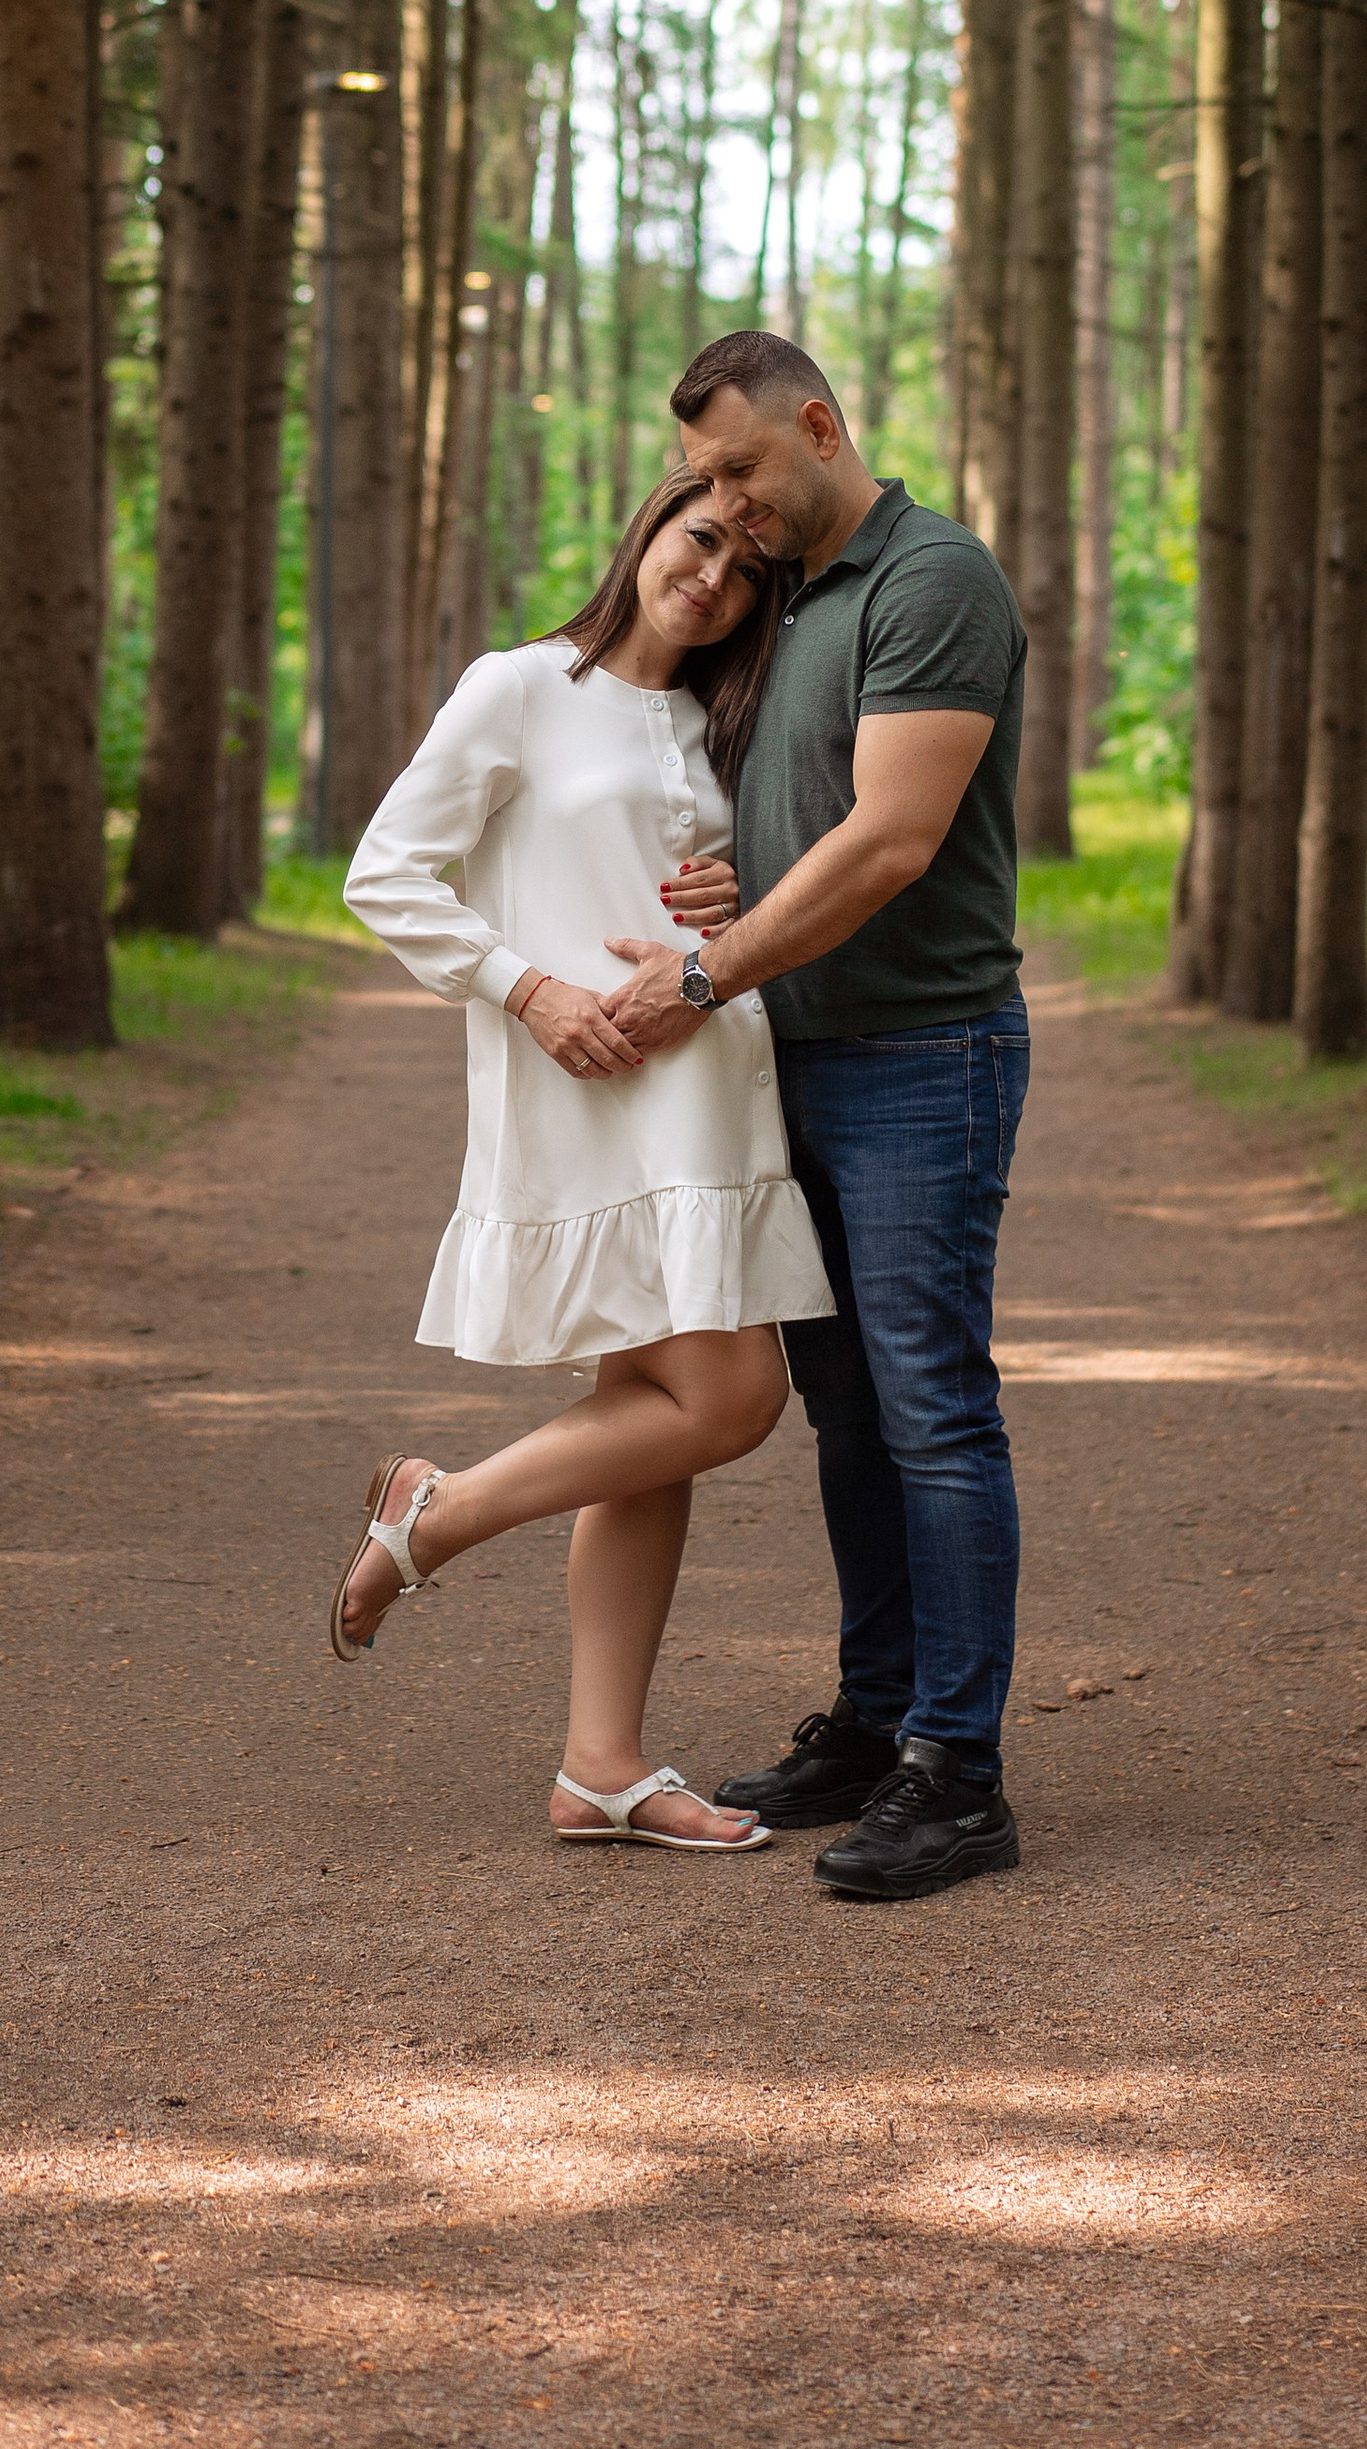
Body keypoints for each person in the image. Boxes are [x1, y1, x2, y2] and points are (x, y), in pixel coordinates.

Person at [332, 468, 834, 1849]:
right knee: (731, 1397)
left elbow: (725, 896)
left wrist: (733, 893)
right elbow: (385, 872)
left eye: (745, 571)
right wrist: (528, 990)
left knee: (650, 1425)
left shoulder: (722, 721)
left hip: (710, 1092)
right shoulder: (521, 687)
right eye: (700, 540)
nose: (714, 579)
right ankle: (437, 1515)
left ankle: (599, 1764)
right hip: (589, 1089)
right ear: (649, 531)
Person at [599, 329, 1030, 1903]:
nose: (719, 504)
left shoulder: (935, 582)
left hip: (925, 1053)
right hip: (801, 1053)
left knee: (929, 1402)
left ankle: (960, 1771)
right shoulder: (787, 605)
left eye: (737, 471)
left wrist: (710, 968)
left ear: (823, 428)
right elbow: (795, 833)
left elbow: (895, 840)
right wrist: (729, 897)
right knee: (849, 1413)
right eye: (699, 480)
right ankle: (875, 1719)